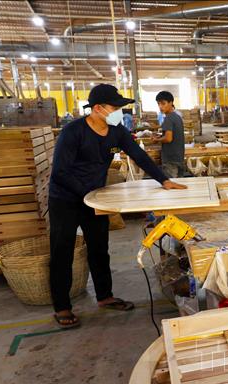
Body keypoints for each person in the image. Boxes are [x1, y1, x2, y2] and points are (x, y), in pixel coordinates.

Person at [49, 84, 187, 329]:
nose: (119, 113)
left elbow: (139, 155)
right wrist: (87, 195)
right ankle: (61, 306)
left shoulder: (116, 131)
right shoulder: (73, 132)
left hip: (94, 198)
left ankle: (105, 296)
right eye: (115, 108)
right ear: (98, 108)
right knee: (63, 252)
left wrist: (163, 180)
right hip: (65, 199)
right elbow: (60, 172)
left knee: (99, 248)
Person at [153, 91, 185, 178]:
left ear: (171, 103)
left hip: (170, 160)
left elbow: (168, 138)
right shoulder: (177, 117)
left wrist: (157, 139)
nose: (160, 106)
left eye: (163, 103)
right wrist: (161, 136)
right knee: (178, 183)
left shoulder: (168, 118)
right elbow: (173, 135)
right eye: (158, 104)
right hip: (179, 157)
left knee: (171, 184)